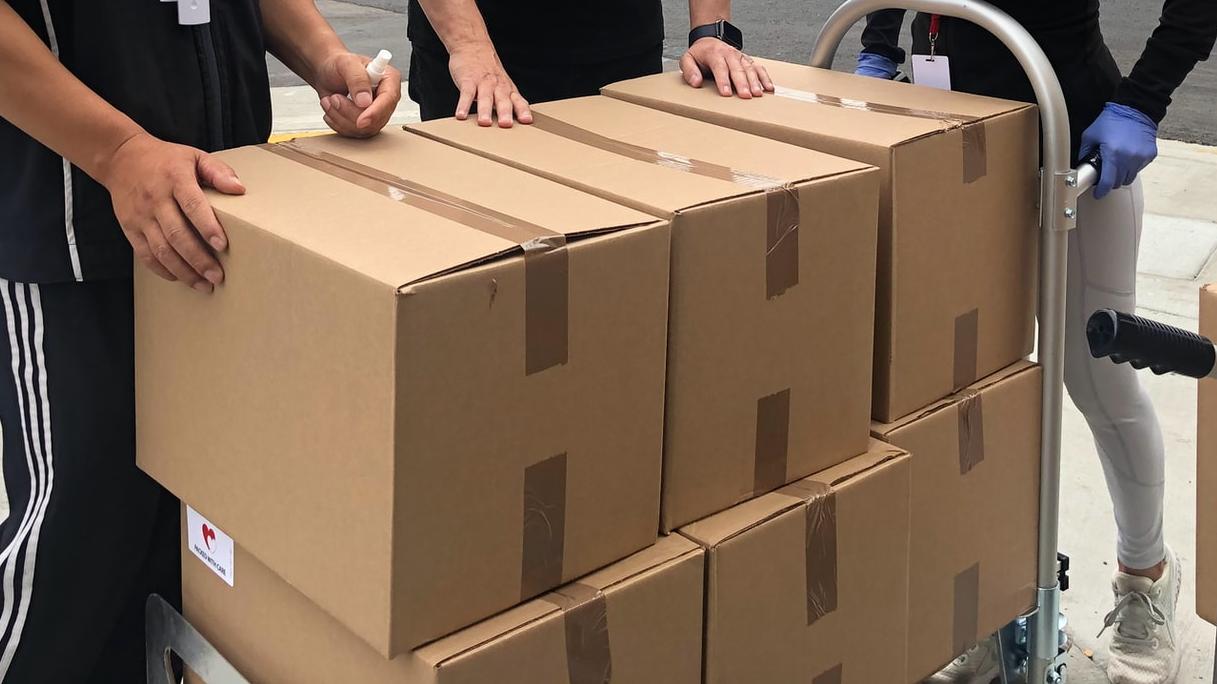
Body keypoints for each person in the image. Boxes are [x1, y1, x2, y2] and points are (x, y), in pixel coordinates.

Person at [0, 1, 400, 680]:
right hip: (76, 231)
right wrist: (119, 152)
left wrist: (325, 56)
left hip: (224, 218)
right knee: (80, 533)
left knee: (193, 537)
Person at [855, 3, 1217, 683]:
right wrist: (878, 44)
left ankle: (1146, 578)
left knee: (1097, 380)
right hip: (943, 133)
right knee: (962, 393)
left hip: (1074, 138)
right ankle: (992, 603)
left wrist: (1143, 102)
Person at [406, 0, 774, 125]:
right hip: (481, 51)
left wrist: (711, 30)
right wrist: (468, 43)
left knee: (624, 238)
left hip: (620, 48)